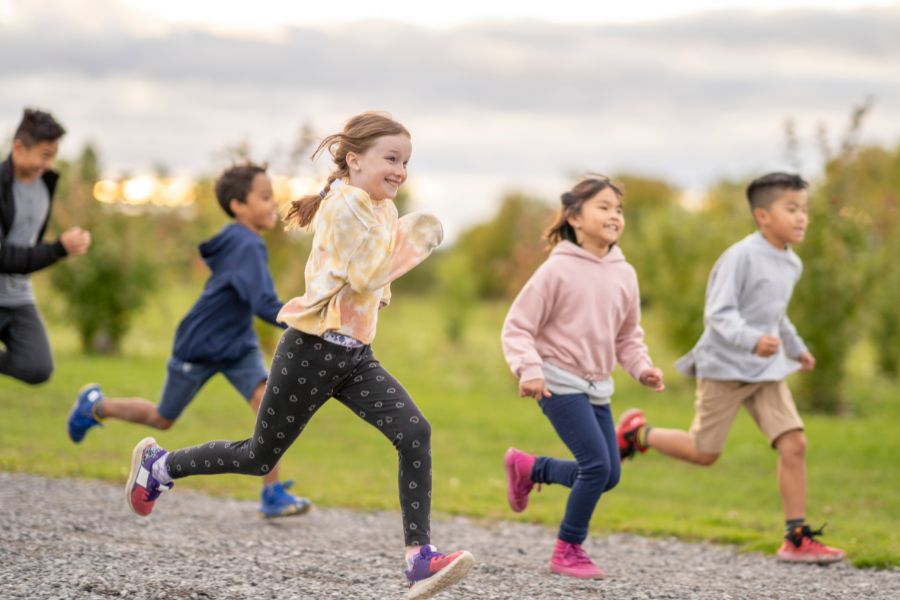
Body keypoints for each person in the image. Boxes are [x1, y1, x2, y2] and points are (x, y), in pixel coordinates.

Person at [123, 112, 474, 600]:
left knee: (414, 432)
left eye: (405, 162)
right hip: (312, 351)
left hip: (355, 357)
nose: (400, 171)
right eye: (391, 159)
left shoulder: (382, 208)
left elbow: (375, 284)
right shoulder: (345, 205)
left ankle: (419, 559)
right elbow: (367, 274)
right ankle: (159, 467)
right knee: (258, 456)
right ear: (355, 160)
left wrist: (390, 268)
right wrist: (413, 243)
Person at [616, 172, 845, 564]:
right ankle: (638, 433)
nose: (801, 217)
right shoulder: (741, 256)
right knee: (704, 452)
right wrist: (752, 339)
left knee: (794, 443)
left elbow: (776, 315)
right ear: (762, 216)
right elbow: (718, 314)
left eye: (804, 209)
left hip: (766, 372)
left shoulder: (792, 263)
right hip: (724, 368)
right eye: (791, 208)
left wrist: (796, 348)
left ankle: (796, 537)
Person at [67, 162, 310, 519]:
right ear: (238, 205)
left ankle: (272, 493)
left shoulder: (245, 241)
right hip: (201, 345)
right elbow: (263, 303)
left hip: (237, 345)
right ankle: (95, 406)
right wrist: (308, 317)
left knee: (265, 403)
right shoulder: (245, 244)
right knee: (161, 418)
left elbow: (253, 299)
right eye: (264, 196)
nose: (273, 202)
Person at [501, 175, 664, 579]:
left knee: (609, 474)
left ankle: (530, 468)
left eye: (618, 209)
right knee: (594, 467)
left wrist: (642, 368)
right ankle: (568, 549)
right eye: (603, 207)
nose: (614, 215)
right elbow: (518, 326)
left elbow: (628, 336)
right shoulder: (556, 270)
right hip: (556, 380)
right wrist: (529, 369)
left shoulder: (625, 273)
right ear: (574, 217)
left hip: (596, 386)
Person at [1, 108, 91, 384]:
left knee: (37, 367)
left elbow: (29, 242)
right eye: (45, 155)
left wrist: (65, 246)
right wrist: (58, 249)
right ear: (19, 148)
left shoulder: (44, 186)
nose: (50, 163)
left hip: (18, 297)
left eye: (53, 155)